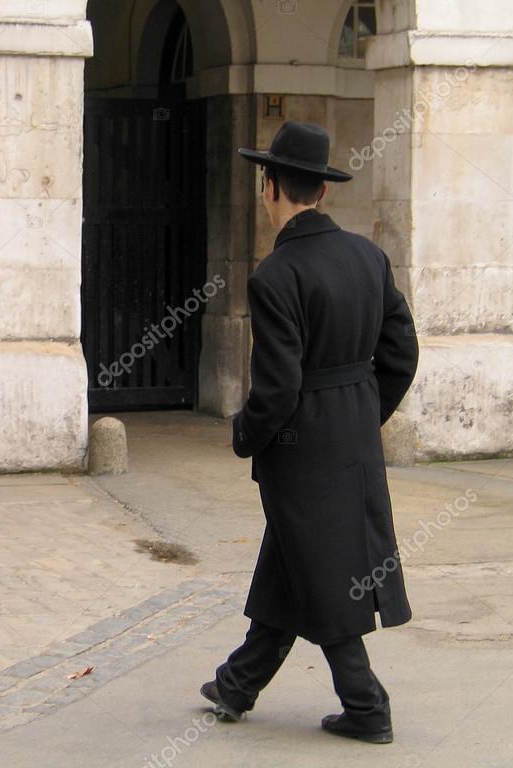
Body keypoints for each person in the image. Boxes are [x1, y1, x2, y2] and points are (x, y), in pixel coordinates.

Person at [200, 121, 419, 744]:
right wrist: (362, 413)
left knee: (323, 570)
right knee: (296, 558)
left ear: (270, 188)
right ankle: (238, 683)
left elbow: (277, 390)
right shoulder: (369, 258)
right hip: (353, 439)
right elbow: (402, 354)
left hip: (301, 451)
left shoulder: (276, 276)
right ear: (321, 191)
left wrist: (244, 434)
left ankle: (367, 706)